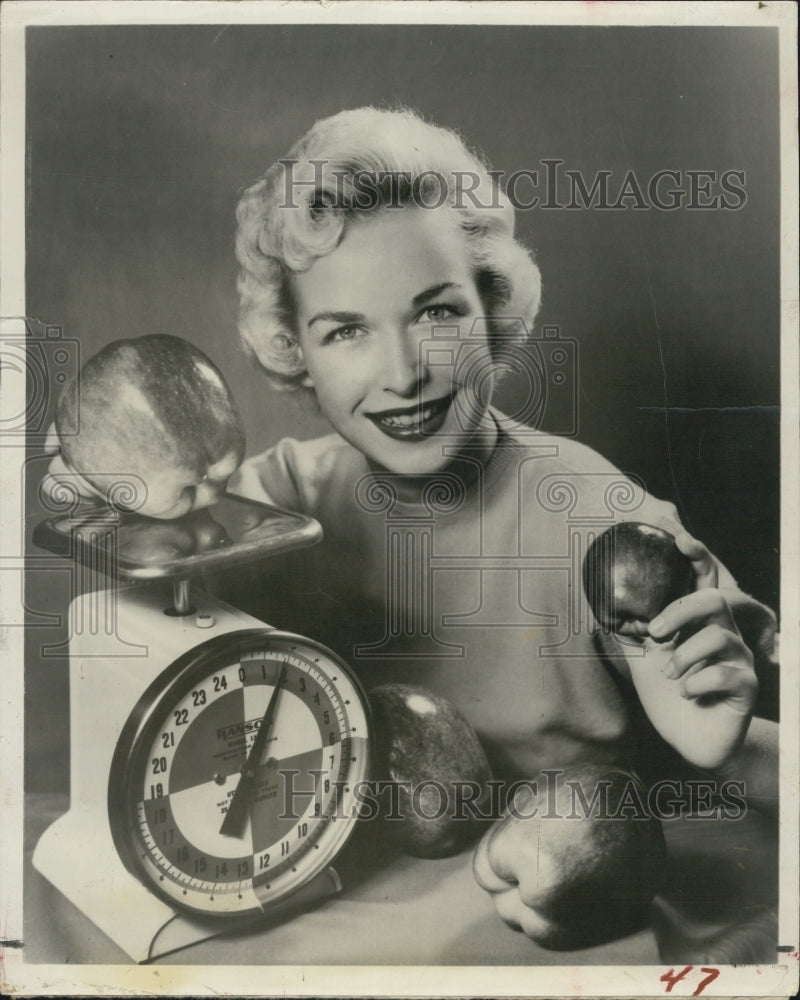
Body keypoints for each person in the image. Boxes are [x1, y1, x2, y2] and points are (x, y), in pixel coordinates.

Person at [229, 105, 778, 785]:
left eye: (437, 312)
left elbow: (743, 734)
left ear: (491, 310)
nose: (404, 376)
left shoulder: (601, 520)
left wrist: (708, 732)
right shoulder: (280, 500)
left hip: (550, 884)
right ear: (298, 352)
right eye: (346, 331)